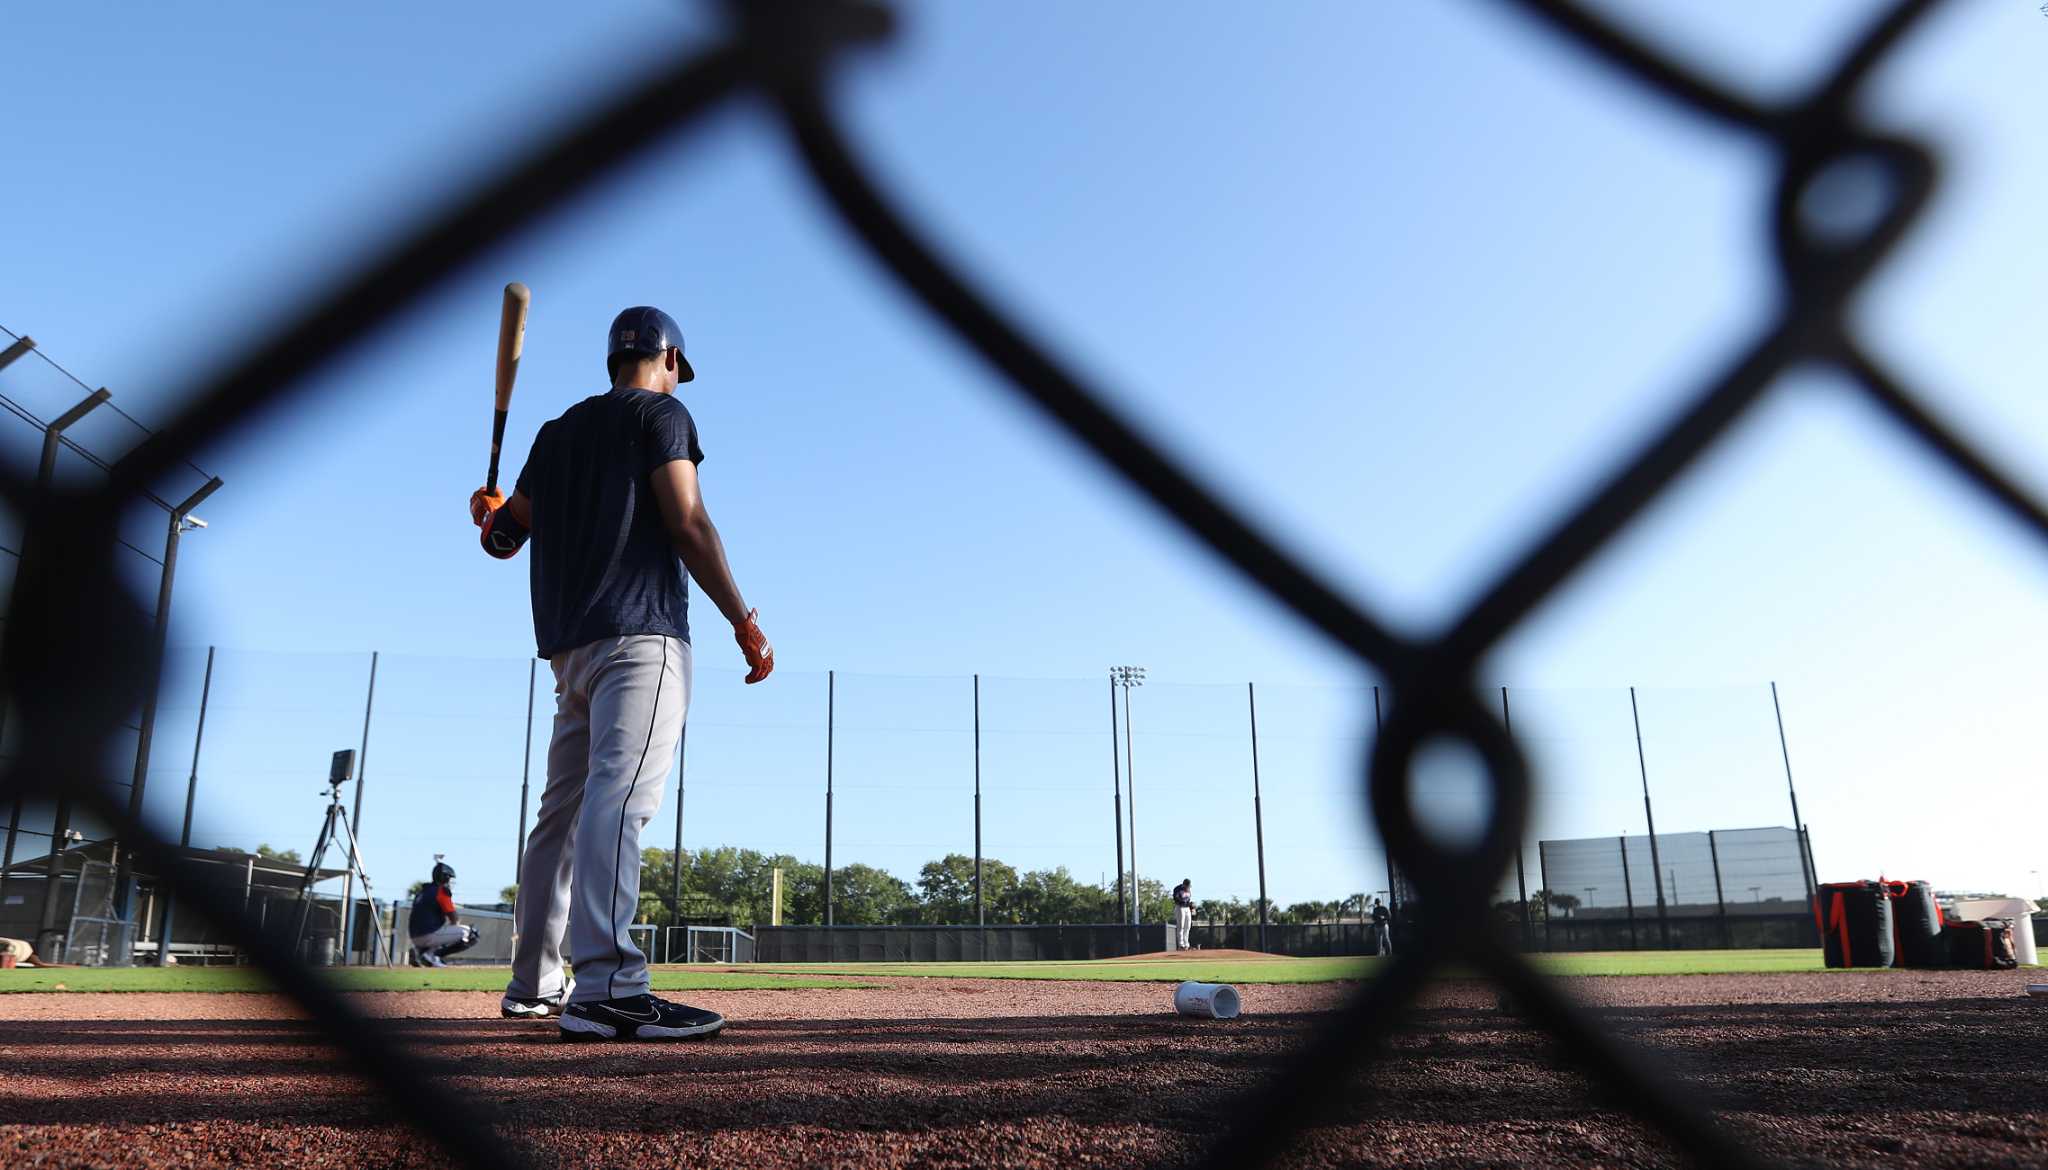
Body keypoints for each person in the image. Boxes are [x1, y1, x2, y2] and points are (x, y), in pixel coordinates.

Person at [470, 305, 774, 1041]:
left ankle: (535, 983)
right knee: (621, 800)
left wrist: (491, 513)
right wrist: (743, 618)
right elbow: (688, 520)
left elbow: (504, 540)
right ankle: (606, 985)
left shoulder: (555, 432)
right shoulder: (663, 416)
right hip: (642, 638)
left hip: (569, 650)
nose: (678, 380)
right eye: (679, 368)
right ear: (668, 358)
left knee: (562, 818)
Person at [408, 859, 478, 967]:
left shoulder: (422, 891)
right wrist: (454, 926)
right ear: (444, 877)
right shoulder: (441, 891)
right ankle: (434, 955)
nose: (450, 881)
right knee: (472, 933)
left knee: (443, 931)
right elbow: (454, 918)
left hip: (414, 937)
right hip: (429, 935)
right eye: (449, 878)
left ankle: (420, 952)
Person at [1173, 878, 1195, 950]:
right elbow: (1176, 899)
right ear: (1184, 884)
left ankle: (1186, 944)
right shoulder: (1178, 889)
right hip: (1180, 908)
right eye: (1187, 885)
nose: (1188, 887)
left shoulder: (1188, 890)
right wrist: (1184, 902)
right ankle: (1181, 945)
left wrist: (1191, 906)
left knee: (1188, 926)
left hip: (1187, 908)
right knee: (1181, 926)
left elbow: (1188, 899)